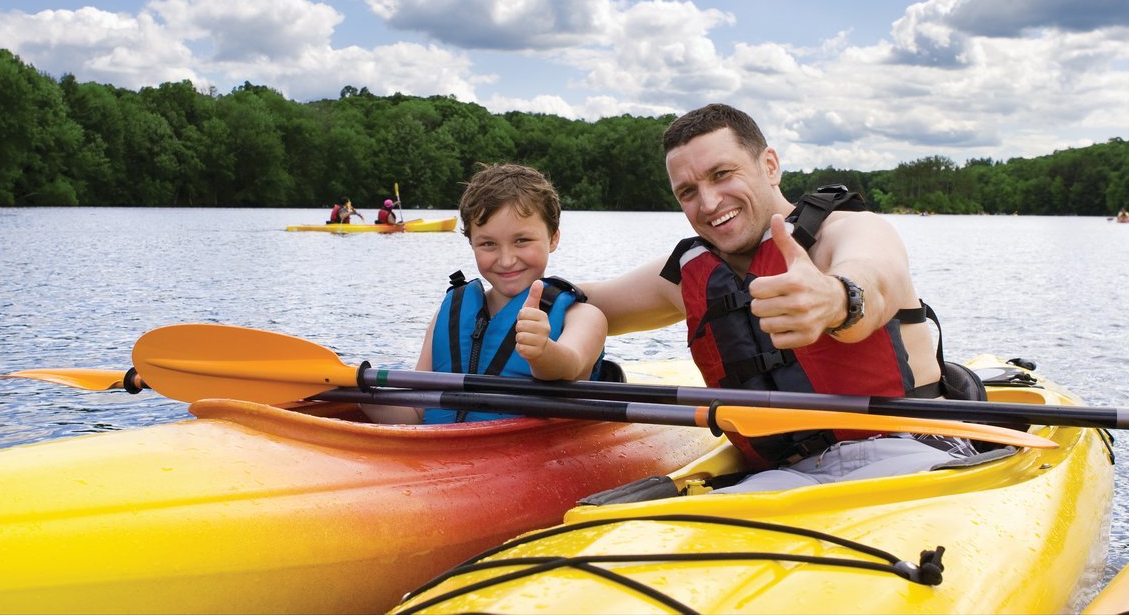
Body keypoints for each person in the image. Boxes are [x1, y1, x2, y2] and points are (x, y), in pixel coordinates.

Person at [582, 103, 981, 493]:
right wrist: (523, 264)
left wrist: (835, 299)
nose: (708, 203)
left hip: (908, 451)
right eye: (688, 191)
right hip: (784, 477)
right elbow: (587, 302)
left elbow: (875, 278)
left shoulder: (848, 230)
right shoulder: (685, 274)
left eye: (722, 174)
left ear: (769, 166)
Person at [365, 163, 609, 424]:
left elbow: (570, 364)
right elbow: (415, 411)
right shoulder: (448, 315)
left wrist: (543, 352)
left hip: (532, 456)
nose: (506, 260)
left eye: (522, 240)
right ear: (472, 244)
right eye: (488, 244)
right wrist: (360, 393)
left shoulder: (585, 318)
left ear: (553, 238)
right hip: (441, 455)